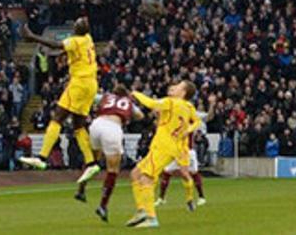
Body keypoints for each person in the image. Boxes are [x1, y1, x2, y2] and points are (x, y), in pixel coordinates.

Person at [19, 17, 98, 172]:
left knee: (57, 118)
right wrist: (63, 54)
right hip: (92, 84)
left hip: (79, 83)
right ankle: (91, 163)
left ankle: (41, 157)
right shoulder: (88, 39)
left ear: (77, 30)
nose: (74, 25)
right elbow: (66, 48)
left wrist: (32, 36)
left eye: (76, 24)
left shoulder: (75, 40)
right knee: (78, 125)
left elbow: (56, 44)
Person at [125, 80, 200, 228]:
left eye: (179, 85)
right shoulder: (187, 107)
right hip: (168, 147)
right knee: (135, 173)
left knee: (146, 178)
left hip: (164, 147)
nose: (175, 86)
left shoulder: (172, 102)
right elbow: (196, 122)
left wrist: (135, 94)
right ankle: (141, 210)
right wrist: (188, 130)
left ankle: (151, 217)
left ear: (183, 92)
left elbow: (151, 103)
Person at [74, 84, 144, 222]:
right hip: (112, 128)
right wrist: (129, 111)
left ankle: (81, 190)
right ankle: (103, 205)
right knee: (113, 169)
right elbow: (140, 116)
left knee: (92, 162)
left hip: (96, 124)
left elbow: (90, 97)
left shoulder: (105, 97)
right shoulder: (128, 101)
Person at [157, 127, 207, 208]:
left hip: (188, 152)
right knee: (167, 171)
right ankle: (161, 198)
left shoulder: (189, 123)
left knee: (194, 173)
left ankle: (201, 197)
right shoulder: (174, 122)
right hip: (176, 152)